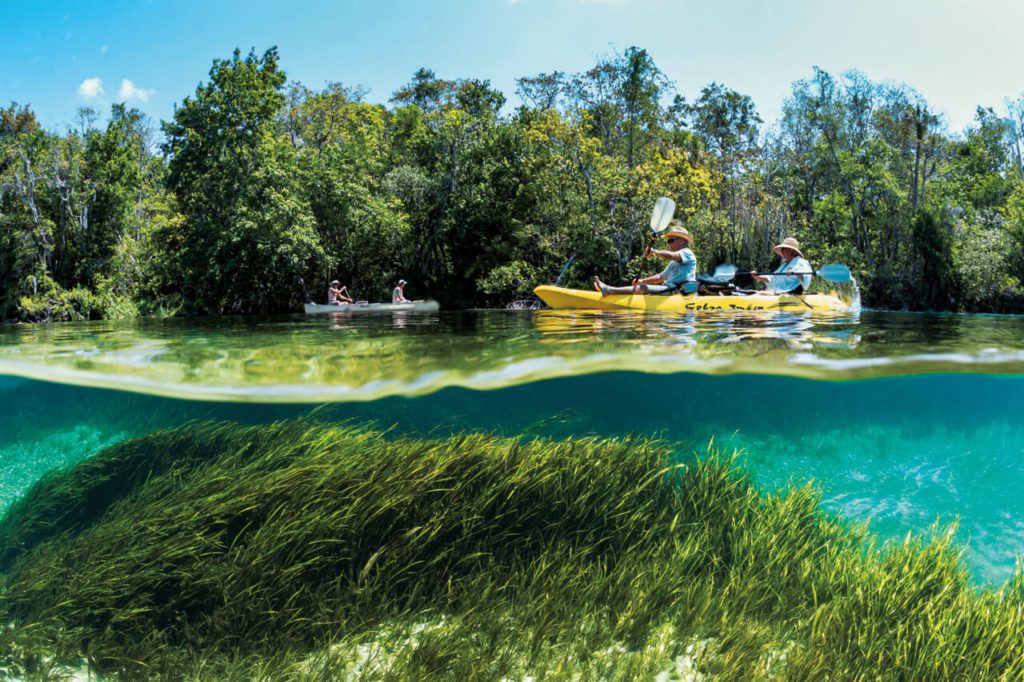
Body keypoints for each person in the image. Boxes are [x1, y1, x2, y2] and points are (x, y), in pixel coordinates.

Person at [593, 220, 697, 296]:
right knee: (643, 287)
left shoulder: (687, 253)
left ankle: (609, 290)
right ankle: (613, 291)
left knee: (643, 289)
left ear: (682, 241)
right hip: (670, 290)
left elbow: (672, 256)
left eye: (671, 241)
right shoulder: (674, 263)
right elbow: (660, 277)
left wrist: (654, 252)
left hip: (680, 291)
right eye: (668, 241)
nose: (669, 244)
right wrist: (643, 281)